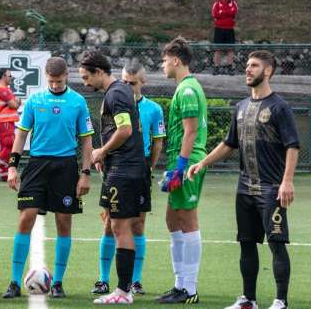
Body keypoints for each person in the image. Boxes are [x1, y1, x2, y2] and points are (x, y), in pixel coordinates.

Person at [189, 50, 298, 309]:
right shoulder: (240, 107)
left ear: (268, 71)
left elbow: (292, 146)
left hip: (271, 189)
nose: (247, 70)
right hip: (245, 189)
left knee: (276, 244)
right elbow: (229, 144)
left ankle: (280, 301)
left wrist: (287, 181)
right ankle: (248, 299)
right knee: (246, 244)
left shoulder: (279, 107)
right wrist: (202, 163)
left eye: (254, 66)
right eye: (247, 66)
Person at [2, 57, 94, 299]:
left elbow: (86, 141)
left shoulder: (77, 102)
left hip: (65, 168)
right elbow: (21, 135)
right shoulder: (35, 100)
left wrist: (85, 173)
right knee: (26, 218)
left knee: (64, 222)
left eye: (59, 81)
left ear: (66, 77)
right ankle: (13, 281)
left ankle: (59, 283)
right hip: (37, 165)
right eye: (51, 81)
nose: (55, 85)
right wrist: (12, 166)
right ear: (46, 77)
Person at [91, 59, 165, 296]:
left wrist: (149, 167)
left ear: (142, 82)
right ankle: (103, 279)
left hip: (137, 168)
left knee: (137, 225)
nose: (127, 86)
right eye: (124, 81)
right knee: (110, 224)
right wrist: (104, 156)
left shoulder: (153, 109)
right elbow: (109, 132)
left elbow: (157, 141)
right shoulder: (116, 98)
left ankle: (134, 281)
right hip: (117, 166)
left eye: (132, 83)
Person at [76, 51, 145, 305]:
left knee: (120, 226)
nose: (85, 83)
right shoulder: (120, 92)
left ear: (98, 71)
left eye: (86, 77)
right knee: (120, 226)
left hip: (124, 170)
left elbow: (125, 130)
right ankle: (124, 289)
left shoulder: (116, 93)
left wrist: (101, 151)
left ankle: (123, 291)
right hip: (125, 167)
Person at [156, 37, 207, 304]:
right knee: (171, 220)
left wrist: (179, 167)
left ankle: (189, 289)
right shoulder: (186, 87)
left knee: (187, 221)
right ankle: (179, 284)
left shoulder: (187, 90)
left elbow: (191, 131)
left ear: (176, 60)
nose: (162, 65)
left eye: (164, 60)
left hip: (187, 162)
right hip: (182, 160)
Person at [0, 68, 21, 181]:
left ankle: (3, 173)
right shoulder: (3, 90)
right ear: (3, 76)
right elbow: (13, 105)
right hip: (5, 121)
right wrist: (18, 101)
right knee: (10, 145)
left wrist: (16, 101)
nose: (11, 77)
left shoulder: (1, 89)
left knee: (5, 147)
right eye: (9, 75)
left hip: (4, 121)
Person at [212, 0, 238, 75]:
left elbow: (234, 12)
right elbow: (215, 14)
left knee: (230, 49)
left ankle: (230, 67)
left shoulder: (233, 3)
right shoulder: (216, 3)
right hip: (219, 29)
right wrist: (227, 13)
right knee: (217, 49)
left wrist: (222, 12)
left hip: (229, 29)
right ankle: (216, 67)